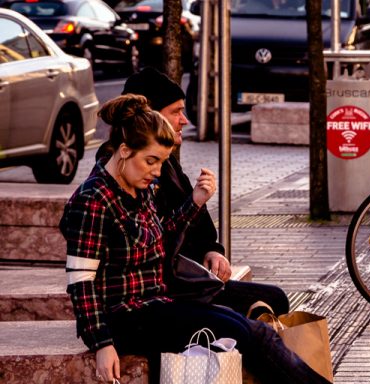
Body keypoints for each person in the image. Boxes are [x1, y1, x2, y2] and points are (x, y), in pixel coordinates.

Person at [61, 94, 370, 384]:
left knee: (253, 329)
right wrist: (102, 343)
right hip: (127, 317)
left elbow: (160, 238)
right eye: (151, 161)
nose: (156, 172)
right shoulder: (93, 201)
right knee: (246, 333)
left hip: (158, 304)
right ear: (123, 151)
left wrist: (194, 202)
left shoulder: (137, 190)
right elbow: (80, 282)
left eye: (161, 162)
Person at [95, 67, 289, 318]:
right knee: (252, 317)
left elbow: (190, 224)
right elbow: (155, 242)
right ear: (150, 117)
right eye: (176, 112)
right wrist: (194, 203)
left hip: (184, 278)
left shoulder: (166, 162)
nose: (184, 120)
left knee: (266, 307)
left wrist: (212, 249)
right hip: (163, 291)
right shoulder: (121, 170)